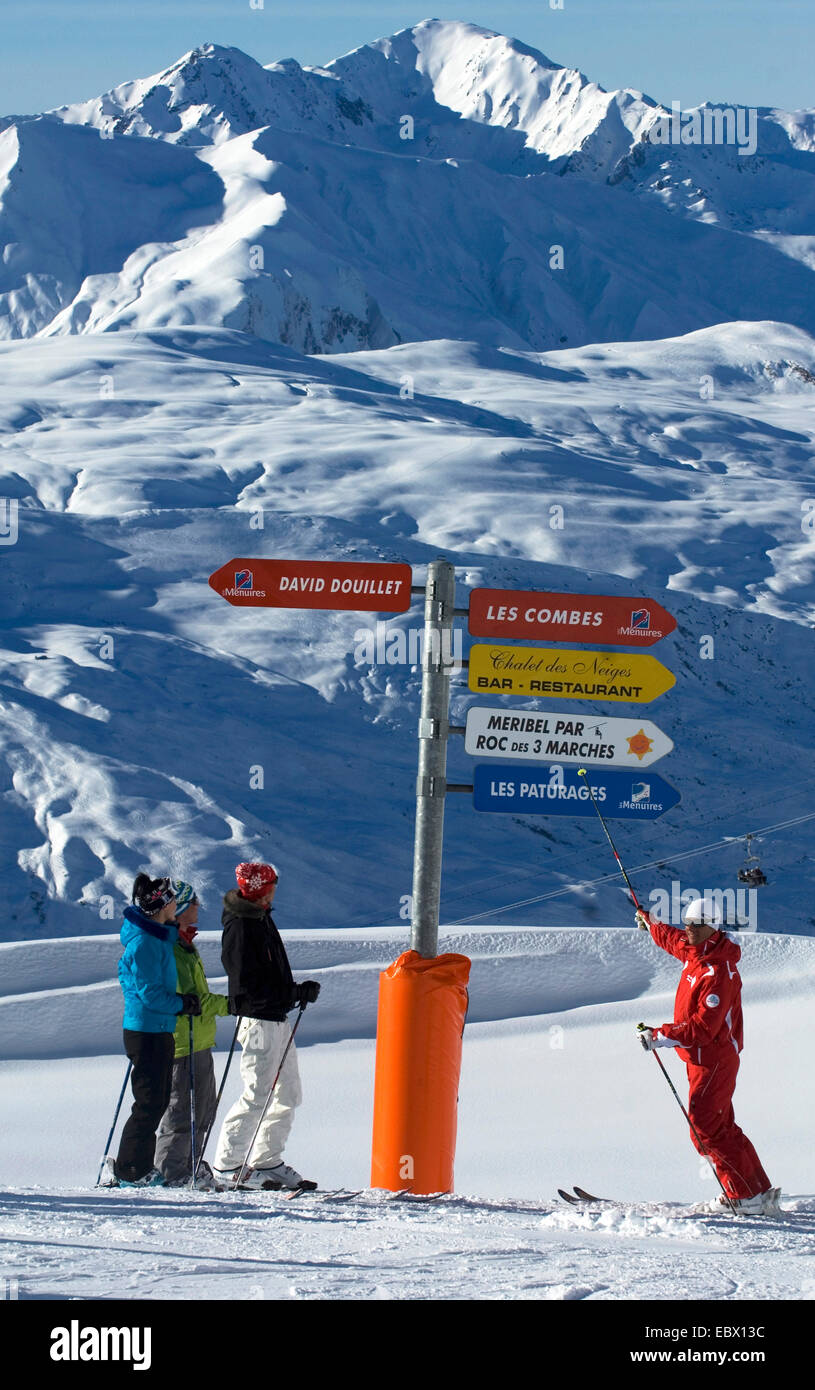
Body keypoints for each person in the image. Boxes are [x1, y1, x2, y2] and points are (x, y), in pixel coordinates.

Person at [636, 895, 779, 1215]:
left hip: (713, 1059)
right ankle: (756, 1191)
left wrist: (660, 1036)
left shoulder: (717, 971)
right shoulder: (697, 951)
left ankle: (743, 1196)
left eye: (694, 925)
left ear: (710, 928)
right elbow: (673, 940)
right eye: (686, 923)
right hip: (700, 1060)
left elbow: (703, 1029)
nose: (687, 930)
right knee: (720, 1125)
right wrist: (650, 923)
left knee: (703, 1127)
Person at [212, 862, 321, 1190]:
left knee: (288, 1090)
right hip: (259, 1020)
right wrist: (293, 992)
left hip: (276, 1017)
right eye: (271, 884)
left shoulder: (260, 917)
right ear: (261, 889)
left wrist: (292, 993)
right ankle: (228, 1165)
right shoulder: (242, 927)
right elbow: (249, 984)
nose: (275, 889)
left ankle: (266, 1160)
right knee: (257, 1092)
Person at [110, 875, 201, 1187]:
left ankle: (139, 1167)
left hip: (156, 1028)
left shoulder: (157, 938)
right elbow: (150, 993)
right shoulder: (146, 943)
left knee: (156, 1100)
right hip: (146, 1030)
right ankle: (129, 1170)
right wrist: (181, 1004)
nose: (177, 903)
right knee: (149, 1102)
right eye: (172, 899)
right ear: (162, 905)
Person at [154, 881, 231, 1186]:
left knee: (202, 1110)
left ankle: (189, 1166)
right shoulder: (171, 948)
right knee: (181, 1111)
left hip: (198, 1040)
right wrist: (230, 1005)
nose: (200, 906)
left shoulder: (185, 943)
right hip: (181, 1043)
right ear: (181, 908)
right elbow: (191, 998)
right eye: (194, 902)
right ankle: (170, 1171)